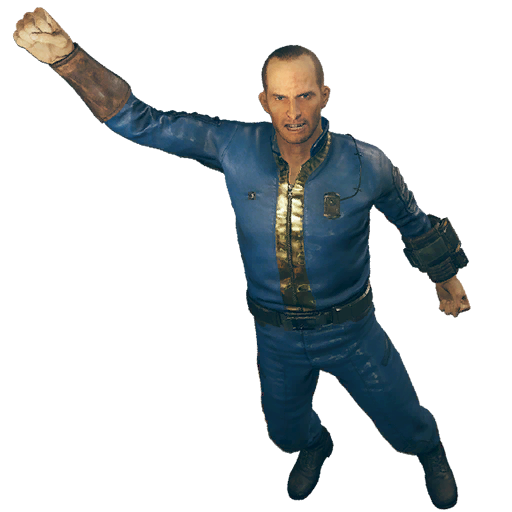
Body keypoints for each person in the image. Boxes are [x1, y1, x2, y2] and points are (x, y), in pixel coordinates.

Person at [14, 7, 470, 508]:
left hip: (351, 329)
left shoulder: (369, 163)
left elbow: (412, 219)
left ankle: (431, 451)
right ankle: (316, 447)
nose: (293, 112)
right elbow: (143, 121)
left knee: (406, 423)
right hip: (275, 335)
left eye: (304, 95)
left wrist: (445, 278)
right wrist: (70, 61)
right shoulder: (233, 145)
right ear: (263, 100)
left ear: (325, 95)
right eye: (280, 97)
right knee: (285, 433)